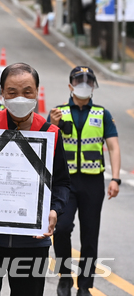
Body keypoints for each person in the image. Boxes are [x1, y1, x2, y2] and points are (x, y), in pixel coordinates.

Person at [0, 63, 70, 296]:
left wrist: (54, 210)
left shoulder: (50, 133)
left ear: (37, 92)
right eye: (12, 92)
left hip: (32, 242)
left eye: (27, 91)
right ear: (2, 93)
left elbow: (61, 183)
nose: (20, 98)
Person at [48, 66, 120, 296]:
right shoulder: (58, 113)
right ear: (70, 86)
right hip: (64, 183)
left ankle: (85, 286)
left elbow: (113, 146)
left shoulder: (102, 114)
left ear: (93, 86)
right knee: (61, 229)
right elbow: (46, 145)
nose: (84, 86)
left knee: (90, 235)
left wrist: (115, 178)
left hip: (92, 182)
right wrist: (53, 125)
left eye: (89, 82)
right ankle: (64, 278)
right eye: (79, 81)